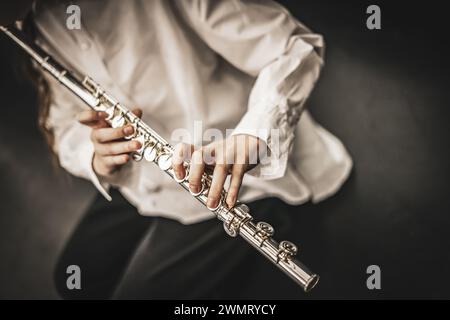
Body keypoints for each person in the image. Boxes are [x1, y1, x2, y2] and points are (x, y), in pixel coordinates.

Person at [2, 0, 352, 299]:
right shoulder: (36, 22)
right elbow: (63, 122)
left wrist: (256, 134)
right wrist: (95, 155)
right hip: (141, 173)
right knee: (75, 279)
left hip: (234, 175)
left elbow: (294, 47)